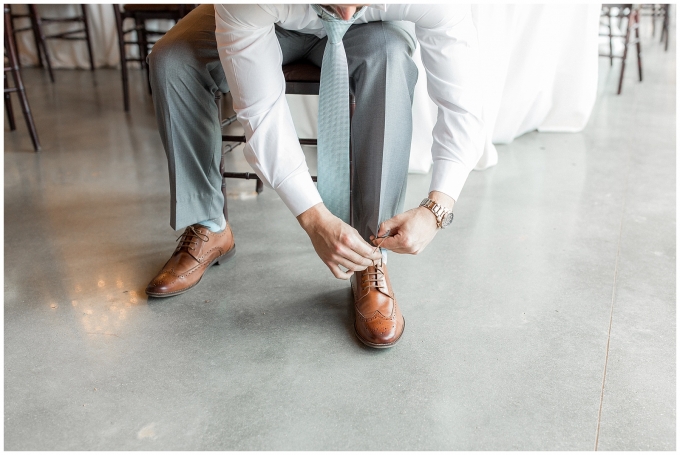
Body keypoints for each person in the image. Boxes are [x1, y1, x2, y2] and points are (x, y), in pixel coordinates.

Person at [145, 4, 485, 349]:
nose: (348, 9)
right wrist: (313, 218)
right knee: (172, 59)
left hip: (371, 31)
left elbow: (464, 103)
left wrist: (436, 209)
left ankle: (370, 251)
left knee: (390, 56)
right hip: (271, 19)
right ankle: (208, 223)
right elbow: (262, 113)